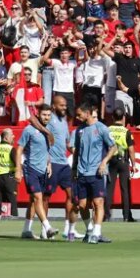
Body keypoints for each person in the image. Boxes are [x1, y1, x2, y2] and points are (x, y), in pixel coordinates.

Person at [71, 102, 117, 244]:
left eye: (80, 114)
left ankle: (97, 233)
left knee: (98, 202)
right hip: (82, 172)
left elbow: (114, 147)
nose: (78, 117)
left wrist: (104, 162)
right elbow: (77, 151)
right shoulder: (79, 130)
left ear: (88, 113)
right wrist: (74, 168)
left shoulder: (101, 128)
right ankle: (90, 230)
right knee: (82, 205)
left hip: (96, 172)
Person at [17, 106, 57, 240]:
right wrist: (18, 169)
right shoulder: (29, 130)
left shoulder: (48, 130)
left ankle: (26, 230)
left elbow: (46, 150)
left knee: (33, 201)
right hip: (31, 169)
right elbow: (19, 149)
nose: (46, 117)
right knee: (38, 198)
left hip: (43, 170)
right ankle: (48, 227)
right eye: (44, 115)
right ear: (38, 115)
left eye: (48, 115)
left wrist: (49, 163)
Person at [45, 95, 80, 241]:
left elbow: (67, 143)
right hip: (52, 163)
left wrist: (76, 153)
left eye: (65, 105)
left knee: (72, 195)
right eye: (61, 105)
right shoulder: (49, 120)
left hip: (64, 163)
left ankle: (68, 229)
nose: (64, 108)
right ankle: (45, 229)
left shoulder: (64, 121)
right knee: (46, 197)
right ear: (54, 106)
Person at [105, 107, 136, 222]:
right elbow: (131, 149)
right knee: (125, 189)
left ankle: (106, 215)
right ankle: (127, 216)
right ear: (123, 118)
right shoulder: (126, 131)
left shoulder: (108, 130)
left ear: (112, 117)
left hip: (110, 160)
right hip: (123, 161)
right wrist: (134, 164)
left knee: (109, 188)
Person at [0, 128, 18, 217]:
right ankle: (14, 221)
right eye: (11, 135)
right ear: (5, 138)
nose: (13, 137)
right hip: (9, 177)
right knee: (12, 201)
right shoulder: (11, 149)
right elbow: (17, 164)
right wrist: (18, 175)